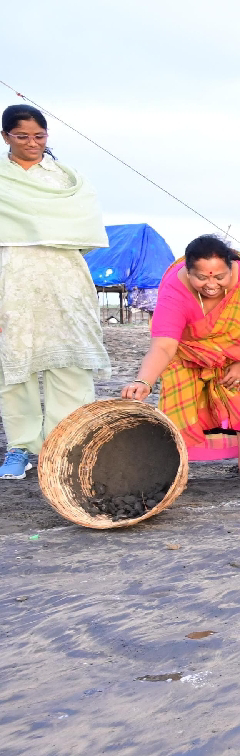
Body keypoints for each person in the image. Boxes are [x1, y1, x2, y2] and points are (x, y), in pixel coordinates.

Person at [0, 104, 110, 480]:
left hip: (63, 278)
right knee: (15, 367)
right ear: (5, 138)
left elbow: (84, 228)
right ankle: (22, 446)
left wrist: (47, 231)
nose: (32, 143)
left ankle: (68, 442)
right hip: (11, 279)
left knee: (71, 362)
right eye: (22, 136)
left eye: (39, 136)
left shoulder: (67, 180)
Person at [120, 235, 240, 484]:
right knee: (177, 405)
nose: (211, 285)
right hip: (186, 352)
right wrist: (144, 381)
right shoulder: (174, 290)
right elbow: (163, 346)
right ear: (188, 271)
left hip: (236, 351)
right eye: (201, 277)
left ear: (231, 267)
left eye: (219, 276)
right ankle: (176, 467)